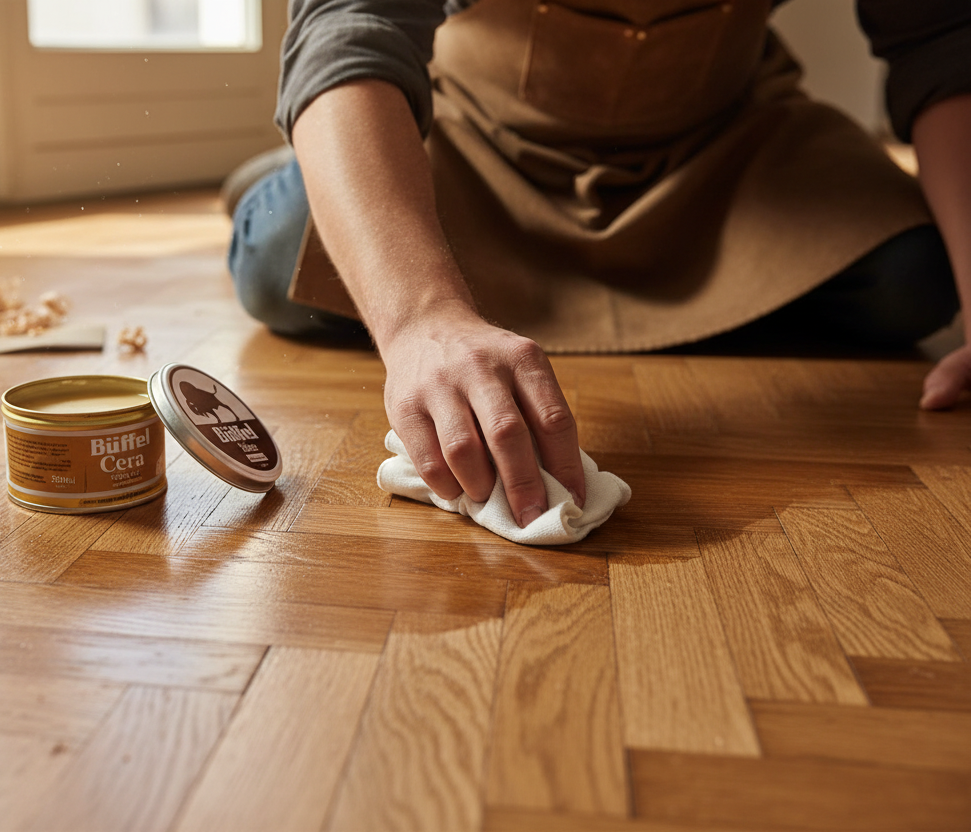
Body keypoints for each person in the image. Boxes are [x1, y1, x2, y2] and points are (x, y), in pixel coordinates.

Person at [226, 0, 971, 529]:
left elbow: (942, 44)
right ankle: (318, 168)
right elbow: (353, 22)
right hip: (478, 146)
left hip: (726, 155)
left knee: (911, 281)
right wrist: (422, 319)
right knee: (277, 255)